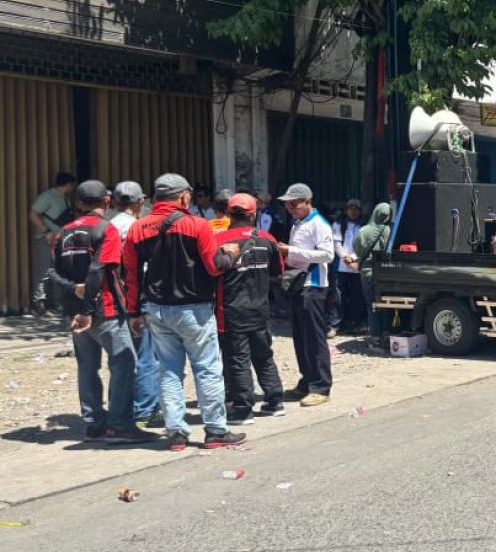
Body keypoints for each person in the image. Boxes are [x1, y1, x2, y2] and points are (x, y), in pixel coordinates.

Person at [123, 173, 244, 451]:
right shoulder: (197, 225)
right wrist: (231, 253)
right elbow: (215, 266)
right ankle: (215, 431)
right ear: (183, 196)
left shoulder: (138, 228)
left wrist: (133, 312)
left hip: (157, 311)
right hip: (195, 311)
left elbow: (131, 275)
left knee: (168, 370)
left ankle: (176, 433)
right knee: (207, 369)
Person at [47, 181, 157, 444]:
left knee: (87, 366)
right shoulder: (105, 230)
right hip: (103, 309)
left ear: (78, 203)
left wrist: (74, 292)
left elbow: (53, 273)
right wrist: (87, 308)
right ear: (106, 202)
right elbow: (99, 269)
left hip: (74, 312)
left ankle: (94, 424)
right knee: (124, 362)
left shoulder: (63, 233)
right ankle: (119, 425)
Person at [214, 194, 287, 424]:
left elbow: (211, 271)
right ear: (254, 214)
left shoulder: (218, 240)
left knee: (237, 360)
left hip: (230, 311)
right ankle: (275, 401)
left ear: (228, 213)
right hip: (260, 309)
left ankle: (242, 409)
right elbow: (278, 273)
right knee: (263, 355)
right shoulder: (268, 239)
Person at [277, 182, 336, 407]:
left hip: (314, 286)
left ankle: (321, 386)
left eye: (294, 204)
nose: (290, 209)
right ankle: (307, 381)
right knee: (300, 337)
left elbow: (327, 255)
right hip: (299, 284)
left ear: (307, 202)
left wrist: (291, 250)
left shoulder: (319, 224)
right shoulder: (298, 223)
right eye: (287, 205)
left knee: (314, 337)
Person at [108, 181, 161, 427]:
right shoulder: (138, 227)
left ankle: (123, 407)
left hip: (115, 295)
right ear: (140, 202)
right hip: (137, 294)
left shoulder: (109, 225)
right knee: (146, 353)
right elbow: (142, 266)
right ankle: (145, 410)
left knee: (123, 354)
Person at [28, 172, 76, 315]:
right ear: (68, 184)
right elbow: (33, 214)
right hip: (46, 239)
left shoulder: (65, 199)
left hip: (60, 240)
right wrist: (46, 231)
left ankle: (56, 303)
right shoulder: (47, 196)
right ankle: (38, 304)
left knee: (58, 272)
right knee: (44, 271)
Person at [354, 202, 394, 350]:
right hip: (386, 273)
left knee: (372, 305)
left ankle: (375, 336)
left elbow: (357, 250)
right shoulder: (391, 230)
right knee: (387, 304)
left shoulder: (363, 231)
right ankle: (387, 333)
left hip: (367, 272)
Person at [332, 198, 367, 334]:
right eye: (350, 209)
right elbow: (336, 243)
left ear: (360, 211)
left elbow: (364, 245)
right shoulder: (338, 224)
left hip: (356, 266)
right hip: (341, 267)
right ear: (346, 210)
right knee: (338, 297)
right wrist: (345, 257)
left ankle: (354, 323)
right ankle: (336, 324)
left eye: (356, 209)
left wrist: (354, 258)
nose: (353, 211)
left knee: (356, 297)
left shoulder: (364, 225)